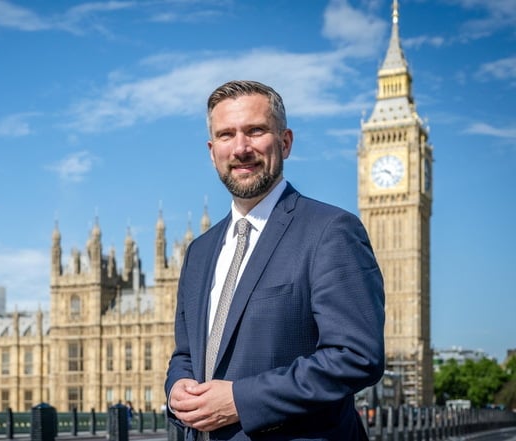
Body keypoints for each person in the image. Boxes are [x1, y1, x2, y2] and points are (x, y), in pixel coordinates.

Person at [164, 80, 385, 440]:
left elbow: (356, 355)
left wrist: (241, 400)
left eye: (255, 131)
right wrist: (177, 390)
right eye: (226, 135)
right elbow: (186, 353)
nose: (241, 148)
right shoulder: (199, 252)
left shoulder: (330, 230)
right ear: (211, 150)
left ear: (285, 142)